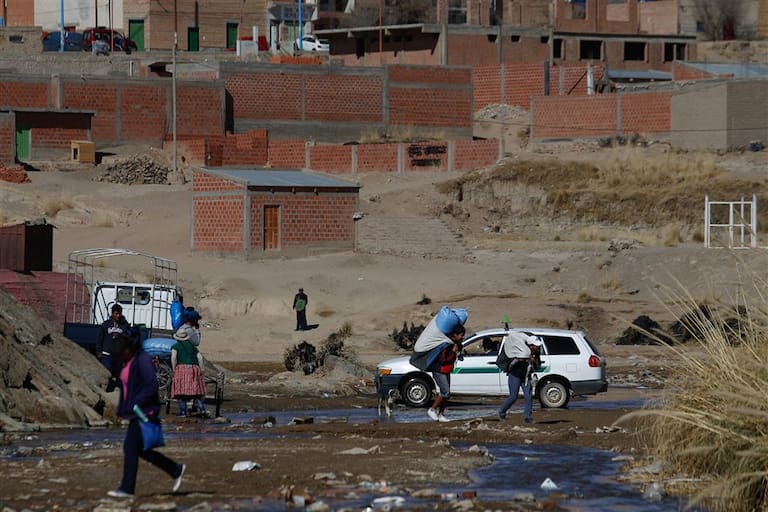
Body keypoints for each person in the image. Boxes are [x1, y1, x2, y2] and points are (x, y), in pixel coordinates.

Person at [108, 333, 186, 499]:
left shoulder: (142, 360)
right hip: (135, 412)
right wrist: (123, 409)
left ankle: (127, 489)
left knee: (130, 448)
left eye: (122, 352)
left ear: (128, 349)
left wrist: (136, 403)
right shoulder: (129, 360)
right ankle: (175, 469)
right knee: (141, 451)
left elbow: (152, 386)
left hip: (144, 411)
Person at [410, 311, 467, 423]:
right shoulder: (446, 345)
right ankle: (432, 409)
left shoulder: (454, 344)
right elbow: (443, 360)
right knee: (444, 392)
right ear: (455, 335)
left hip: (446, 370)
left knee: (446, 393)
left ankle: (441, 414)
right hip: (439, 370)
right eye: (461, 335)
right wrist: (454, 353)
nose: (462, 337)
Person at [498, 332, 543, 424]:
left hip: (526, 376)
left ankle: (528, 417)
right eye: (536, 346)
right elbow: (511, 365)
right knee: (513, 396)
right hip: (515, 375)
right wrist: (519, 360)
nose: (537, 348)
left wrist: (533, 361)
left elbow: (537, 366)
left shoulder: (535, 353)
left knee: (528, 396)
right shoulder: (519, 350)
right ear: (530, 346)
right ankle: (501, 412)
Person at [170, 327, 207, 418]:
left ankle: (183, 412)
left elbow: (173, 358)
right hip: (194, 368)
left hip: (182, 369)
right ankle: (202, 411)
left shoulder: (176, 346)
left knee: (181, 391)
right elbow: (200, 358)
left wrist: (174, 369)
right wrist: (202, 369)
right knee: (197, 392)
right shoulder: (192, 346)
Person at [97, 303, 130, 380]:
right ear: (112, 314)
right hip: (107, 354)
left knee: (118, 375)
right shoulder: (105, 324)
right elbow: (99, 339)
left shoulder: (124, 325)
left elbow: (128, 338)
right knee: (107, 373)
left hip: (119, 355)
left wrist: (120, 336)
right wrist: (99, 351)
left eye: (119, 313)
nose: (118, 315)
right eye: (116, 313)